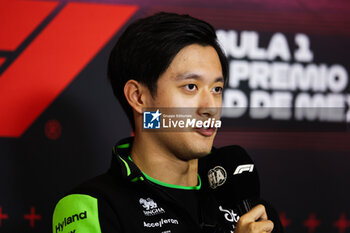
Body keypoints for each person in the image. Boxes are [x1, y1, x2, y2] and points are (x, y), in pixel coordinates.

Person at [52, 12, 278, 233]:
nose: (210, 107)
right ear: (138, 97)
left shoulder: (250, 210)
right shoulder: (92, 208)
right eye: (191, 87)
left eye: (217, 89)